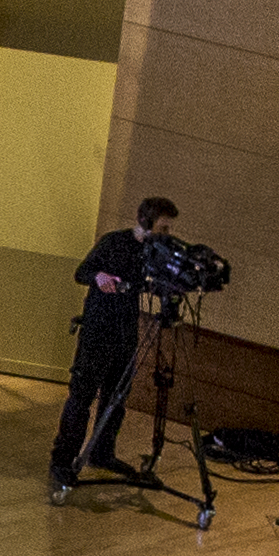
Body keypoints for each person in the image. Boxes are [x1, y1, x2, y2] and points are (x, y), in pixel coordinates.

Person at [53, 192, 181, 497]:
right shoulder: (113, 242)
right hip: (98, 330)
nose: (166, 235)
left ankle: (102, 452)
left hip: (126, 333)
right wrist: (99, 276)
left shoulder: (154, 254)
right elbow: (81, 272)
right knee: (81, 398)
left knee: (116, 398)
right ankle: (62, 459)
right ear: (144, 221)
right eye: (163, 228)